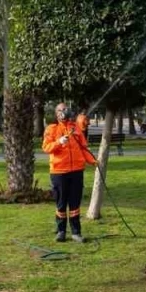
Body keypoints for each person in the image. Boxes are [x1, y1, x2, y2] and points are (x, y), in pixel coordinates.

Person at [42, 102, 98, 243]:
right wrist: (59, 142)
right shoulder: (51, 129)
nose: (65, 111)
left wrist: (93, 161)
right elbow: (46, 147)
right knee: (61, 203)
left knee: (75, 204)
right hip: (59, 172)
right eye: (62, 109)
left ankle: (76, 233)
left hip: (76, 171)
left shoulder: (75, 128)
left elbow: (83, 148)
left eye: (66, 108)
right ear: (57, 113)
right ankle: (61, 231)